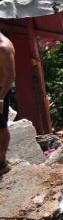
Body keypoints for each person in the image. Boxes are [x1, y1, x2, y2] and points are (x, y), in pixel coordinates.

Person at [0, 31, 15, 175]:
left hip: (0, 90)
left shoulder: (4, 47)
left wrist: (1, 98)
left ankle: (2, 162)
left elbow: (10, 76)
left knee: (1, 125)